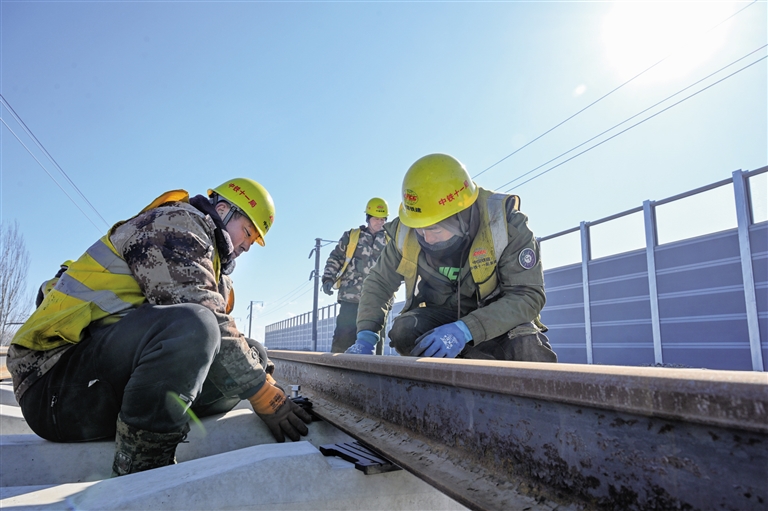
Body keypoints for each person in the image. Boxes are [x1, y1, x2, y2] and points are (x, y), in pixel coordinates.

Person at [7, 178, 312, 476]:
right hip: (51, 386)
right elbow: (205, 317)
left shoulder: (212, 261)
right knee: (195, 325)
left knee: (254, 354)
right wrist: (263, 394)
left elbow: (228, 342)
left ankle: (146, 428)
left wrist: (267, 384)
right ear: (222, 210)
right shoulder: (177, 224)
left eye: (253, 240)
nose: (247, 245)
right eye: (247, 232)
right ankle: (142, 466)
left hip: (98, 387)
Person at [345, 154, 557, 362]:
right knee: (405, 329)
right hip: (442, 316)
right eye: (420, 229)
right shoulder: (406, 232)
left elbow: (527, 296)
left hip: (495, 319)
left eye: (434, 229)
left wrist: (466, 329)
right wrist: (366, 337)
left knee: (526, 345)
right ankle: (436, 381)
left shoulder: (504, 223)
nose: (426, 238)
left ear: (460, 218)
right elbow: (379, 282)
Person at [321, 198, 390, 354]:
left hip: (378, 300)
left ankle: (373, 369)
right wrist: (328, 278)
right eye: (376, 218)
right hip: (351, 296)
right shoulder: (352, 236)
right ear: (368, 218)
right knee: (343, 338)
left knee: (374, 343)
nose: (380, 222)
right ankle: (337, 368)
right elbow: (335, 258)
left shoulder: (389, 240)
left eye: (383, 219)